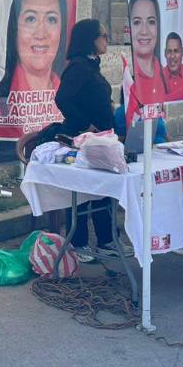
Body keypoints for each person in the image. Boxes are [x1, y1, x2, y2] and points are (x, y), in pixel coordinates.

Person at [53, 19, 121, 262]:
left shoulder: (92, 65)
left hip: (101, 139)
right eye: (103, 34)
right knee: (82, 193)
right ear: (90, 39)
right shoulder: (79, 67)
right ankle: (78, 243)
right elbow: (62, 99)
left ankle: (105, 241)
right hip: (84, 140)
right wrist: (85, 124)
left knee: (103, 190)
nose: (107, 39)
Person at [0, 0, 69, 100]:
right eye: (31, 19)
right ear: (14, 27)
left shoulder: (69, 92)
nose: (41, 34)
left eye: (51, 19)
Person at [127, 0, 167, 105]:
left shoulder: (166, 74)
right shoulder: (128, 75)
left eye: (151, 22)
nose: (144, 31)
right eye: (137, 22)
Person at [161, 32, 183, 101]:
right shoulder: (159, 77)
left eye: (176, 51)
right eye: (169, 51)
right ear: (165, 53)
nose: (172, 56)